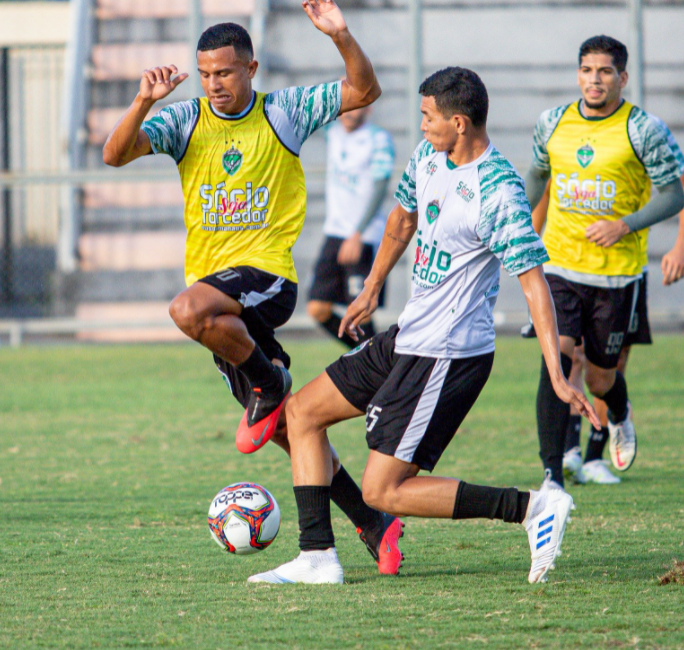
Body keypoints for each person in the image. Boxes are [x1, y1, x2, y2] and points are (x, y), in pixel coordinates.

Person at [247, 67, 599, 586]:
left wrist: (559, 372)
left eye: (428, 116)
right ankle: (317, 556)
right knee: (300, 414)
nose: (422, 125)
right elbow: (401, 220)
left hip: (448, 353)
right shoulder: (429, 157)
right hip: (409, 333)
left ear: (459, 122)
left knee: (382, 491)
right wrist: (370, 288)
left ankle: (531, 508)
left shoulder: (498, 191)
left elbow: (533, 285)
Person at [102, 5, 404, 574]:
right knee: (292, 430)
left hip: (266, 278)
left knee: (186, 308)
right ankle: (371, 522)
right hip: (220, 303)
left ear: (251, 68)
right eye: (206, 73)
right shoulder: (186, 119)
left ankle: (269, 381)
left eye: (225, 72)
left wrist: (340, 35)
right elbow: (113, 154)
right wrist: (145, 100)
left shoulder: (283, 112)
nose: (214, 84)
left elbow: (364, 90)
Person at [525, 35, 684, 488]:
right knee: (555, 360)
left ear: (622, 77)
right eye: (586, 70)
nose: (594, 80)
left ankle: (618, 411)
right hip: (558, 265)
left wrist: (625, 225)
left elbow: (673, 195)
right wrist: (516, 222)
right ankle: (552, 474)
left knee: (599, 379)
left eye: (604, 71)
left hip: (616, 276)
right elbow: (536, 176)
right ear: (577, 74)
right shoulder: (553, 123)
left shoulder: (642, 129)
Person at [307, 107, 394, 347]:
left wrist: (357, 234)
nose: (347, 113)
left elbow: (380, 186)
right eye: (345, 107)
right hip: (334, 233)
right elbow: (314, 109)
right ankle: (370, 360)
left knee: (361, 312)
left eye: (354, 107)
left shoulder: (378, 139)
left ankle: (376, 367)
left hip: (363, 236)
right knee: (317, 308)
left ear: (368, 107)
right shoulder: (334, 132)